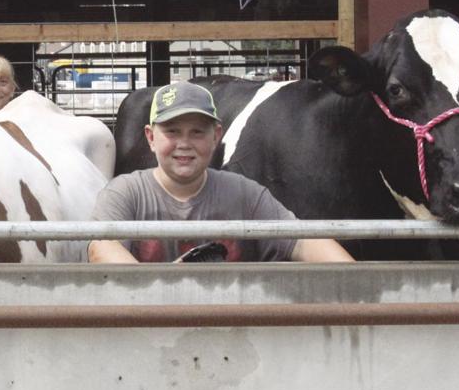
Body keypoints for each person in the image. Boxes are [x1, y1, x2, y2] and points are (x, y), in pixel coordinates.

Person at [88, 82, 354, 263]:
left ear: (216, 136)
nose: (184, 143)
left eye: (197, 132)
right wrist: (163, 288)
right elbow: (103, 248)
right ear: (151, 137)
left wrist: (362, 280)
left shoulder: (244, 194)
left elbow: (302, 241)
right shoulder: (124, 194)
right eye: (172, 131)